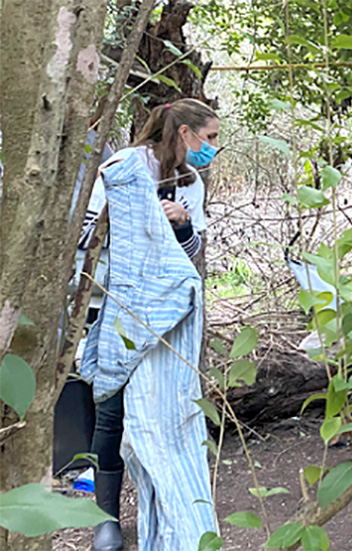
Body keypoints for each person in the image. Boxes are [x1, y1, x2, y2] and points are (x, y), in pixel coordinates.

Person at [80, 98, 218, 551]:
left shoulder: (190, 182)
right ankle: (106, 521)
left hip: (167, 315)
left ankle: (164, 512)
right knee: (111, 414)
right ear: (185, 134)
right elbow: (85, 234)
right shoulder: (124, 169)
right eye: (210, 137)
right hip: (118, 303)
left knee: (164, 416)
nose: (212, 147)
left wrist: (178, 227)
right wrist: (133, 222)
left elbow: (193, 251)